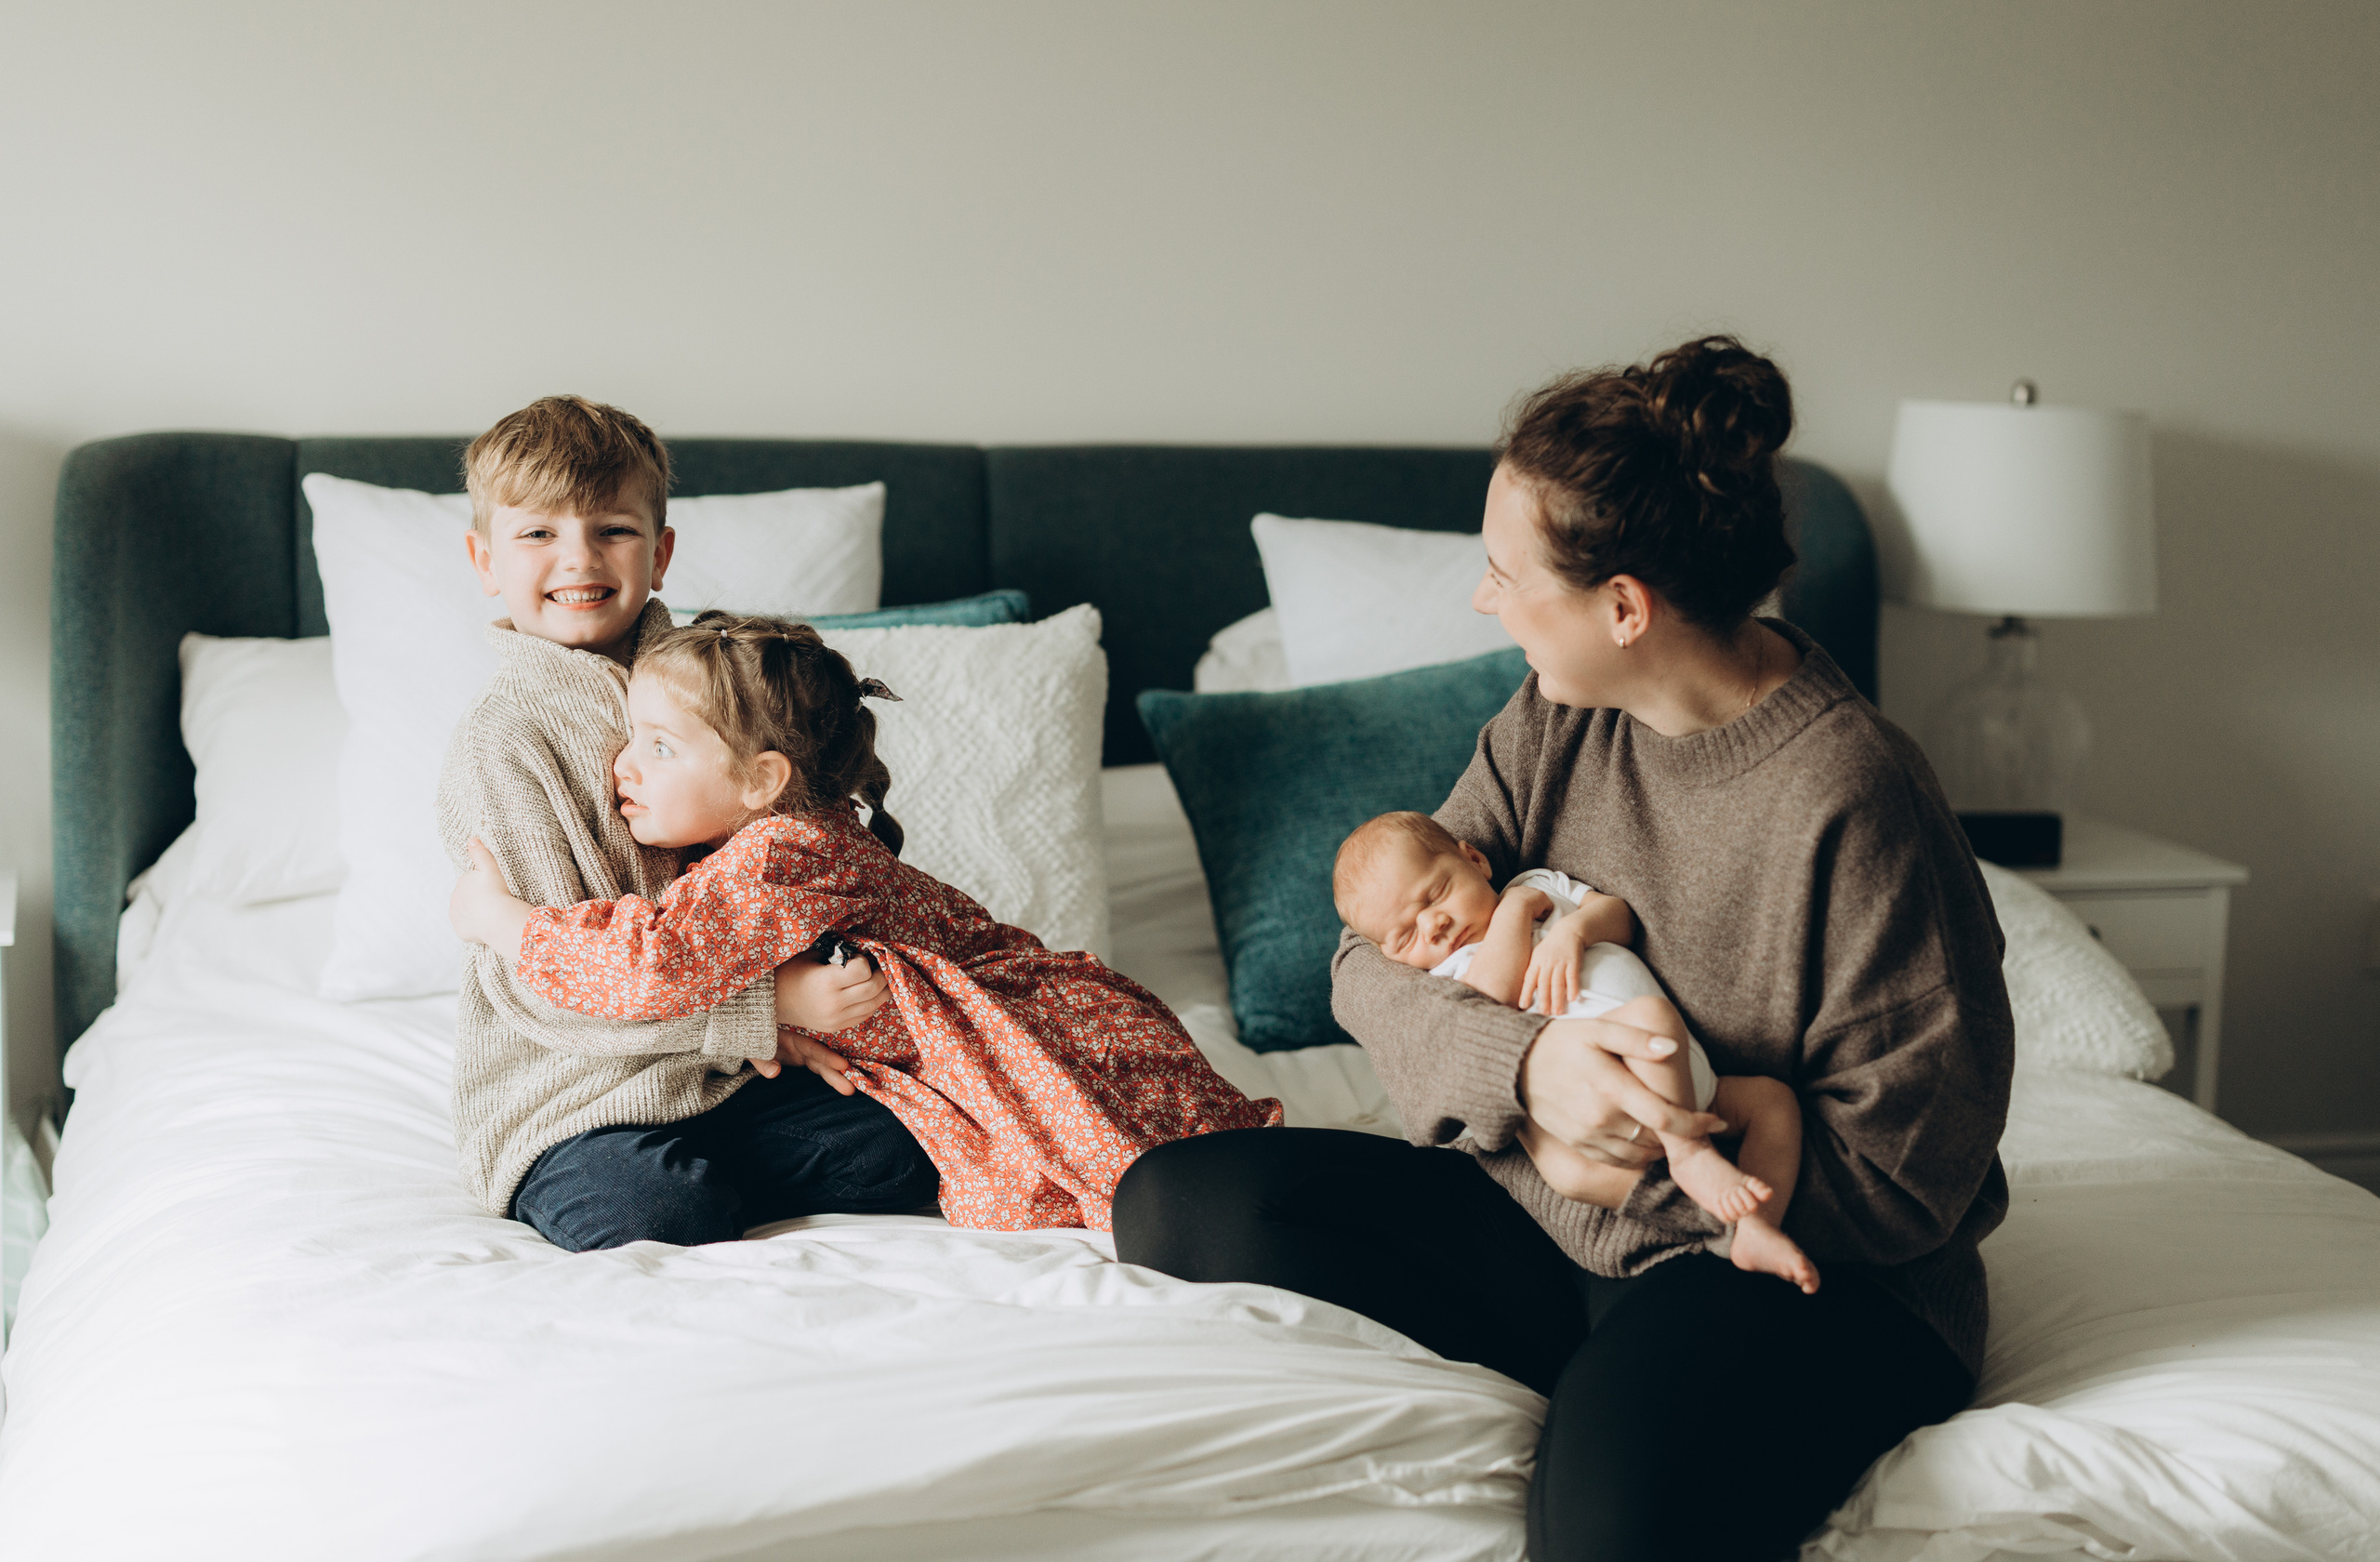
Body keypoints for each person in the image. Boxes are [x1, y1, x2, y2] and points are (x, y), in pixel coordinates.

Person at [1112, 337, 2014, 1562]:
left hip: (1806, 1266)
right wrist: (1534, 1084)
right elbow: (1367, 965)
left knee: (1603, 1522)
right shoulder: (1551, 718)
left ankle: (1639, 1383)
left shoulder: (1853, 794)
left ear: (1624, 606)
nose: (1483, 600)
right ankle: (1627, 1365)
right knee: (1172, 1196)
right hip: (1555, 1216)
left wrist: (1623, 1168)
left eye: (1501, 573)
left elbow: (1915, 1173)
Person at [449, 610, 1283, 1232]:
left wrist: (502, 919)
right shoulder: (792, 828)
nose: (623, 765)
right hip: (981, 1021)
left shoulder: (779, 854)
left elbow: (650, 966)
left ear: (762, 778)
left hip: (1040, 1018)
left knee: (1149, 1162)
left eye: (659, 747)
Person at [439, 396, 937, 1253]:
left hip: (729, 1075)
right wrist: (767, 1005)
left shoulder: (718, 682)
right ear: (485, 558)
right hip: (576, 1094)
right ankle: (671, 1181)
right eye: (538, 535)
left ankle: (735, 1163)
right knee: (661, 1213)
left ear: (661, 551)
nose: (579, 559)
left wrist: (796, 1012)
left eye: (613, 530)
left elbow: (778, 853)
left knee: (934, 1135)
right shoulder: (503, 743)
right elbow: (550, 980)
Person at [1331, 811, 1817, 1294]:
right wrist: (1516, 911)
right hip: (1599, 1108)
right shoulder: (1446, 974)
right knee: (1650, 1024)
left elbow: (1620, 916)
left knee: (1772, 1103)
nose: (1433, 926)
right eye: (1406, 936)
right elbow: (1491, 998)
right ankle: (1690, 1154)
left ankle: (1752, 1230)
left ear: (1474, 859)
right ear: (1392, 958)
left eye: (1435, 894)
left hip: (1686, 1076)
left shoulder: (1538, 883)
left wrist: (1575, 931)